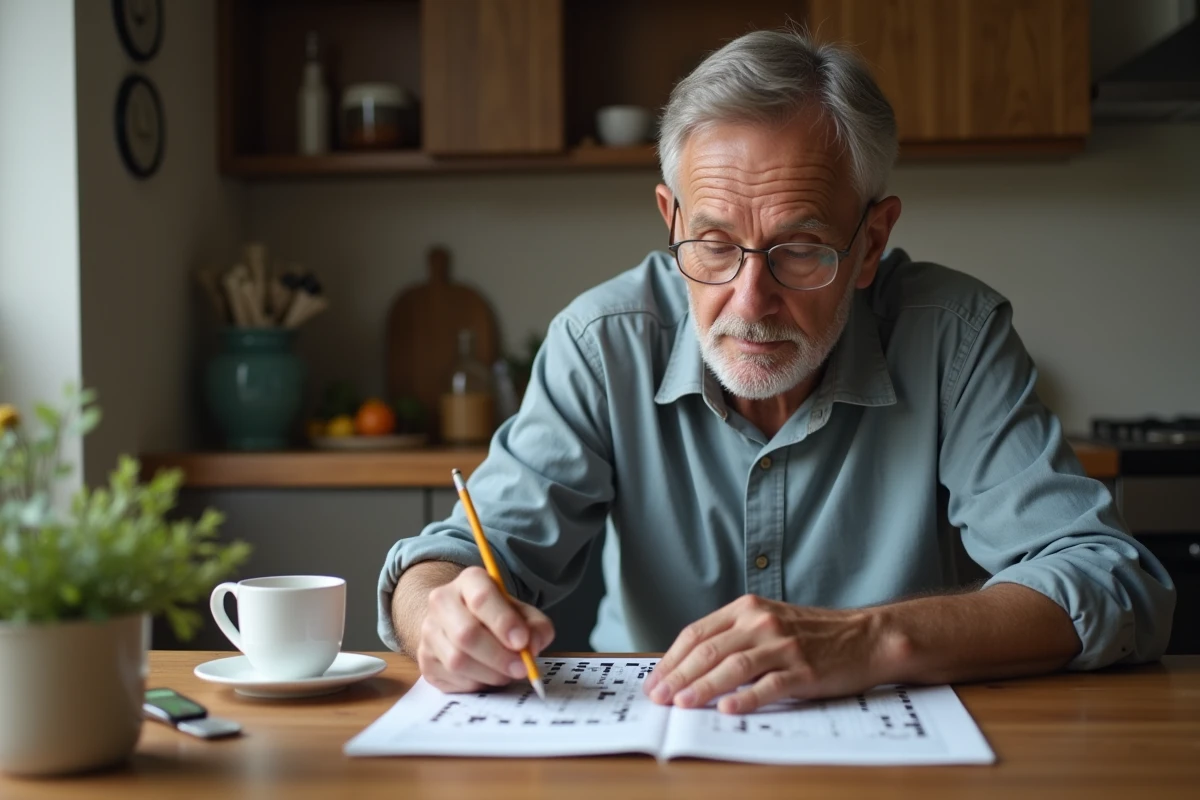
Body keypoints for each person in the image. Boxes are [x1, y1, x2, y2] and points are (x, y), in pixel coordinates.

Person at [377, 29, 1175, 714]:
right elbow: (454, 558)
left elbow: (1112, 581)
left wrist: (867, 641)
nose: (748, 301)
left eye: (799, 248)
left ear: (870, 242)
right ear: (671, 219)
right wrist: (437, 615)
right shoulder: (602, 341)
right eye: (715, 246)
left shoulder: (953, 338)